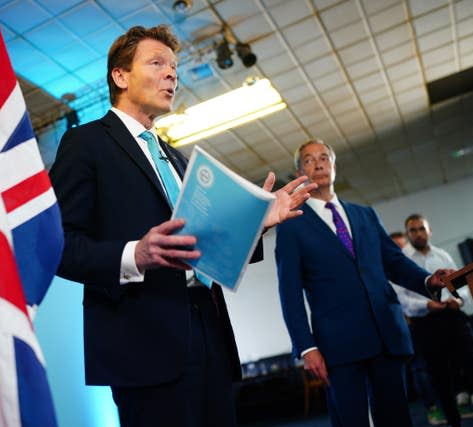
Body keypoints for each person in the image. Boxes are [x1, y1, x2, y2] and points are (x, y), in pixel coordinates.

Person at [48, 25, 315, 427]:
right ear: (120, 76)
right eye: (157, 63)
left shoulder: (179, 160)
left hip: (208, 331)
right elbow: (59, 245)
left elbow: (204, 249)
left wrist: (259, 222)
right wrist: (134, 255)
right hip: (143, 341)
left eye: (174, 66)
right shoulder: (85, 143)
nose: (172, 74)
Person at [275, 139, 451, 427]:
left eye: (324, 158)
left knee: (397, 418)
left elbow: (394, 261)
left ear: (333, 166)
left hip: (385, 333)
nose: (318, 164)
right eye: (309, 160)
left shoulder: (364, 214)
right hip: (337, 346)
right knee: (351, 420)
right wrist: (307, 347)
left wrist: (428, 279)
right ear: (299, 174)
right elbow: (289, 292)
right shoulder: (293, 226)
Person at [403, 214, 473, 427]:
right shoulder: (403, 260)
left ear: (429, 231)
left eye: (421, 229)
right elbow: (401, 298)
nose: (418, 233)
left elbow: (461, 284)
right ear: (408, 234)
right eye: (413, 230)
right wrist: (426, 304)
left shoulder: (442, 255)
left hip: (453, 316)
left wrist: (459, 300)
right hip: (426, 323)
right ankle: (454, 422)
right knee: (440, 378)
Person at [389, 231, 447, 425]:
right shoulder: (386, 268)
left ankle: (448, 404)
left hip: (428, 322)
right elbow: (399, 298)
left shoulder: (412, 266)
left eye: (402, 247)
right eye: (395, 247)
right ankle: (431, 408)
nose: (400, 251)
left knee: (437, 365)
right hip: (404, 326)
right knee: (419, 368)